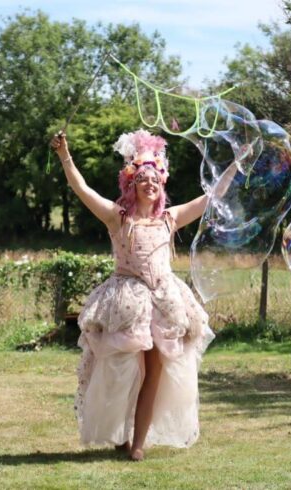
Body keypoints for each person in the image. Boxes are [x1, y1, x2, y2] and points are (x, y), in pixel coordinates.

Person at [50, 128, 215, 461]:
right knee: (126, 371)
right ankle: (122, 434)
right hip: (128, 302)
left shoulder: (170, 218)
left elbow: (210, 198)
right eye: (142, 178)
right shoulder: (118, 217)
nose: (150, 184)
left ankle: (138, 442)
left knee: (155, 370)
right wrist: (64, 154)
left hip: (164, 300)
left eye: (155, 179)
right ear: (131, 184)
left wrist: (236, 167)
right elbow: (81, 189)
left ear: (162, 185)